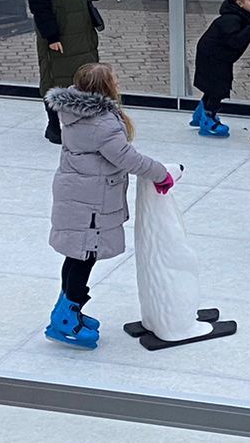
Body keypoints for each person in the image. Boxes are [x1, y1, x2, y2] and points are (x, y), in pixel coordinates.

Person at [44, 62, 172, 349]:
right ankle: (66, 318)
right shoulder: (101, 123)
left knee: (77, 255)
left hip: (78, 192)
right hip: (90, 200)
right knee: (83, 257)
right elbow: (126, 157)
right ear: (105, 87)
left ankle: (66, 309)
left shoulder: (75, 112)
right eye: (114, 79)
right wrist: (160, 173)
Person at [26, 0, 101, 144]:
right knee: (55, 77)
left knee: (86, 75)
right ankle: (54, 125)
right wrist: (52, 36)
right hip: (60, 36)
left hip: (82, 33)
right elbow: (39, 5)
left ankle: (84, 120)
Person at [190, 0, 250, 138]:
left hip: (216, 56)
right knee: (218, 88)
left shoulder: (245, 16)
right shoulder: (231, 20)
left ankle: (200, 114)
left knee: (212, 86)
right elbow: (234, 40)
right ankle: (209, 120)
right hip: (213, 57)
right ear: (240, 3)